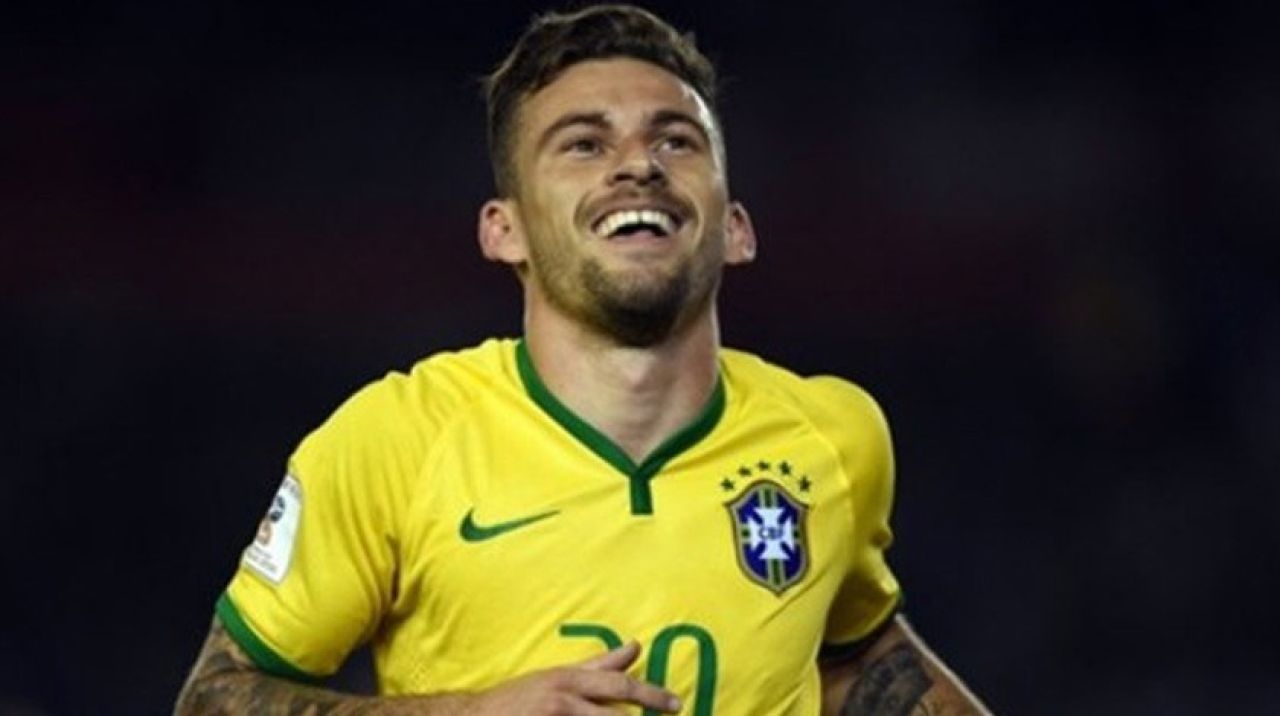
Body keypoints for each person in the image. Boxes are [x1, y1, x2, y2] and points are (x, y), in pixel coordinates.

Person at [175, 5, 990, 714]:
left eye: (676, 140)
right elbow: (215, 696)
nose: (638, 165)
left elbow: (859, 657)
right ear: (505, 231)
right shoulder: (395, 442)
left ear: (736, 228)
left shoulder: (833, 439)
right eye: (583, 145)